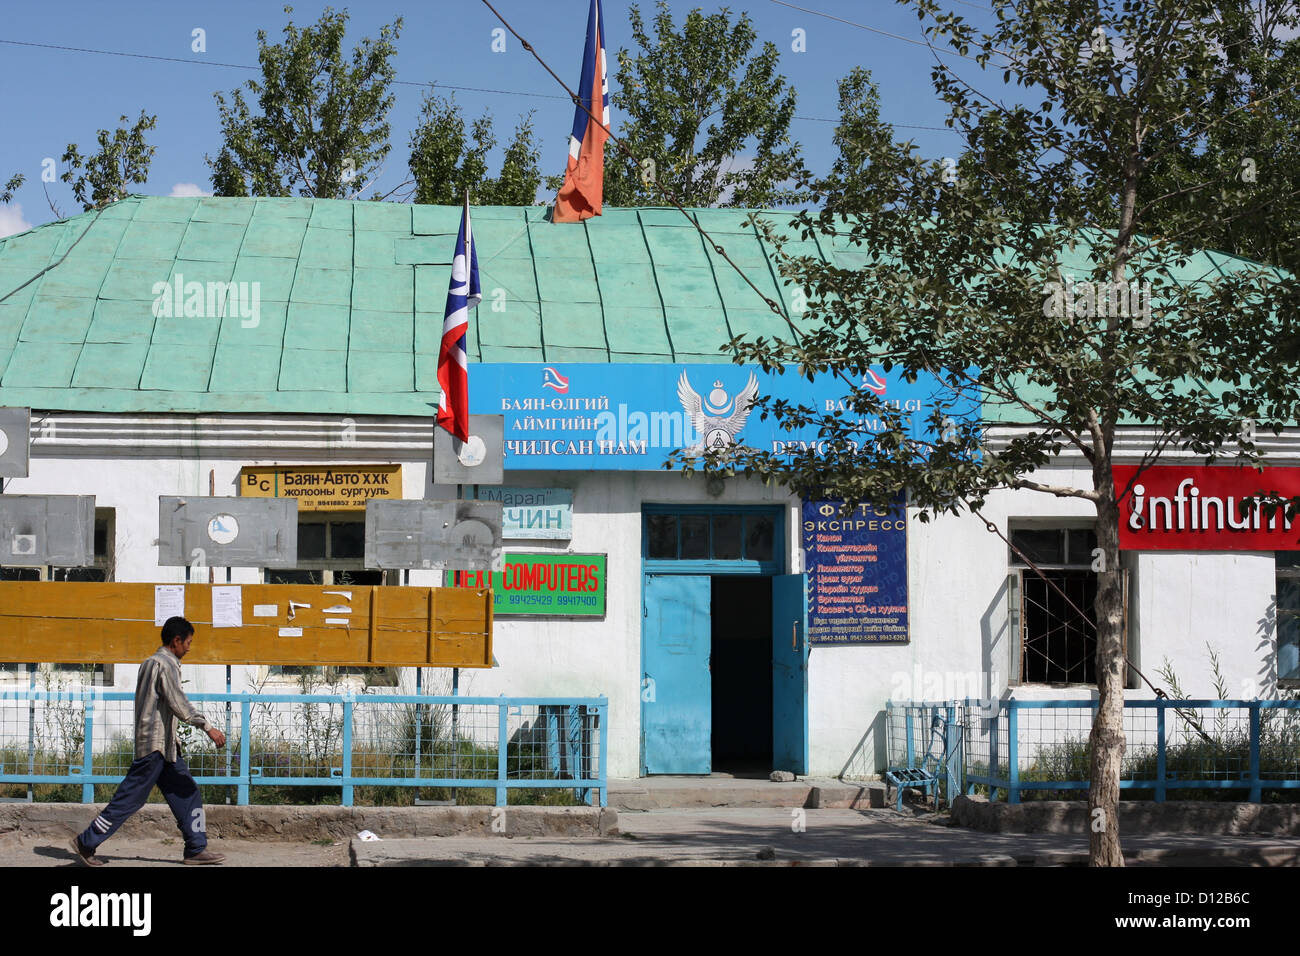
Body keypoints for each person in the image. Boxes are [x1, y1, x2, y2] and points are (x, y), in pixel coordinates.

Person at [68, 616, 227, 866]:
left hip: (165, 747)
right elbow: (178, 702)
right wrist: (207, 726)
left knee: (187, 792)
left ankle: (196, 848)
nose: (189, 647)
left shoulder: (149, 662)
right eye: (188, 642)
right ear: (176, 641)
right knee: (130, 798)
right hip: (154, 747)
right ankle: (86, 841)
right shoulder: (166, 663)